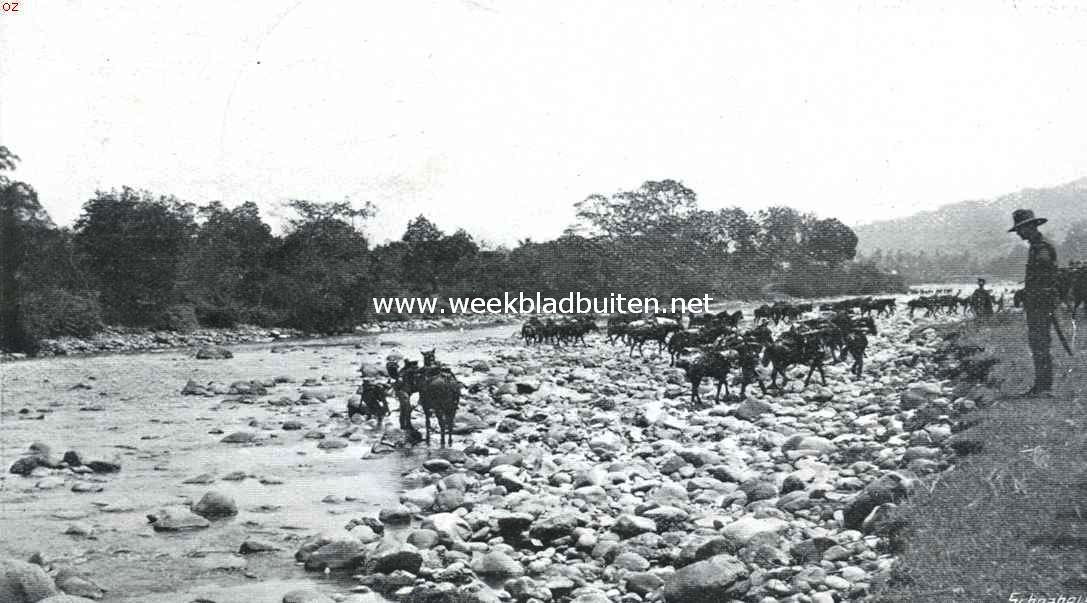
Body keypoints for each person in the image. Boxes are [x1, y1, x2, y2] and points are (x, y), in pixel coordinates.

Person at [1009, 209, 1058, 396]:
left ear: (1031, 227)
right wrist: (1025, 292)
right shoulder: (1037, 245)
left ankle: (1043, 387)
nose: (1019, 233)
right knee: (1038, 343)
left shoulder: (1041, 247)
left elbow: (1044, 273)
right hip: (1038, 301)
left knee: (1040, 344)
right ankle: (1041, 385)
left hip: (1040, 303)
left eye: (1020, 229)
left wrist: (1029, 292)